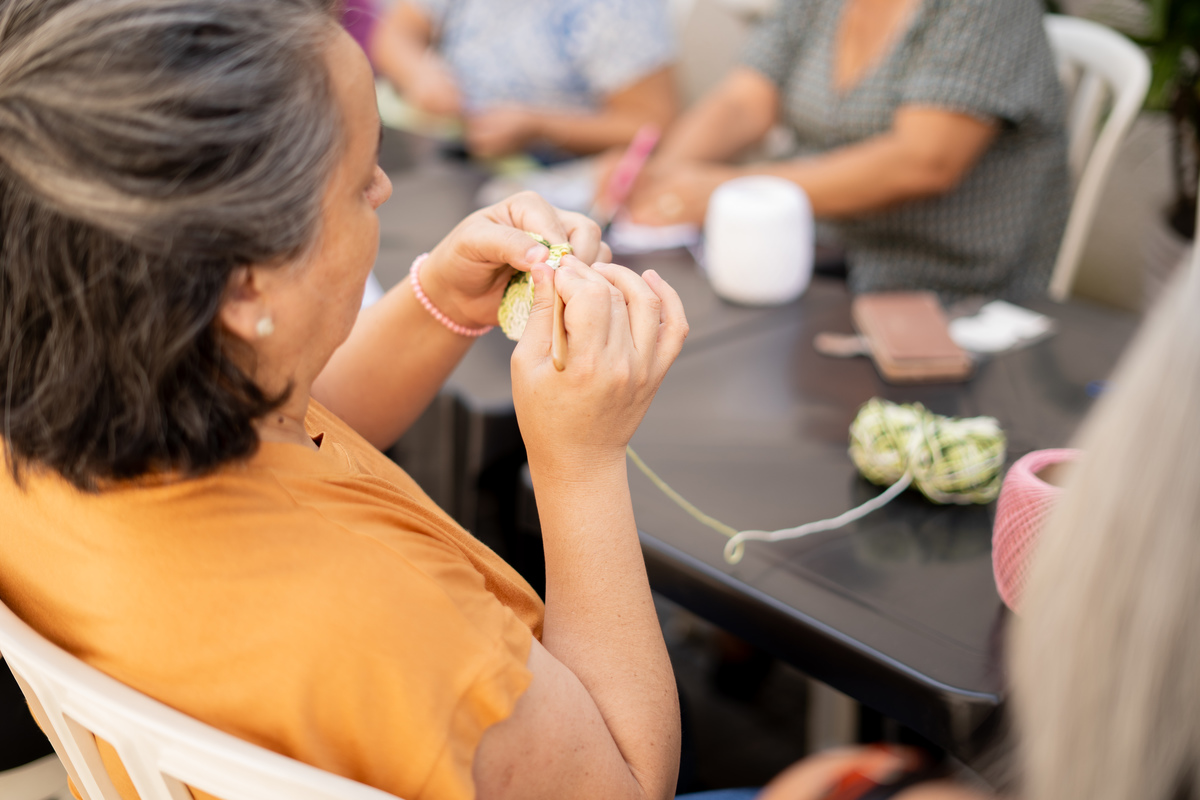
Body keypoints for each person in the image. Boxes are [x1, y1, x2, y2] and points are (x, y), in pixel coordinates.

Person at [0, 2, 690, 799]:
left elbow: (306, 439)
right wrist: (581, 462)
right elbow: (633, 786)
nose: (385, 187)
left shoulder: (75, 421)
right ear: (244, 283)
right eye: (363, 181)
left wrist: (439, 297)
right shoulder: (412, 643)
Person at [627, 0, 1070, 301]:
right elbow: (744, 101)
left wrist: (728, 190)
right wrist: (662, 175)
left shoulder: (986, 9)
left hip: (937, 284)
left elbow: (923, 162)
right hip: (822, 255)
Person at [369, 0, 679, 159]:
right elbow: (396, 32)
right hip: (441, 143)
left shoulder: (620, 10)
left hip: (544, 171)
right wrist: (419, 73)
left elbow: (651, 125)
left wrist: (539, 126)